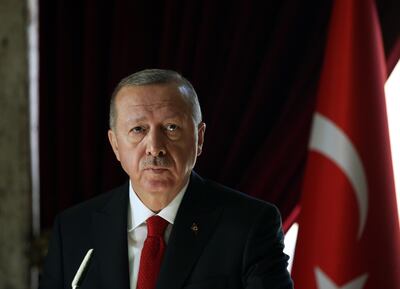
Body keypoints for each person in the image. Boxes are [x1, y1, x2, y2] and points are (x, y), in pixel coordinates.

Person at [39, 69, 294, 289]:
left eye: (171, 127)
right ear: (115, 144)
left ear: (199, 138)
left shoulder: (250, 226)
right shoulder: (73, 230)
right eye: (138, 129)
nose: (154, 147)